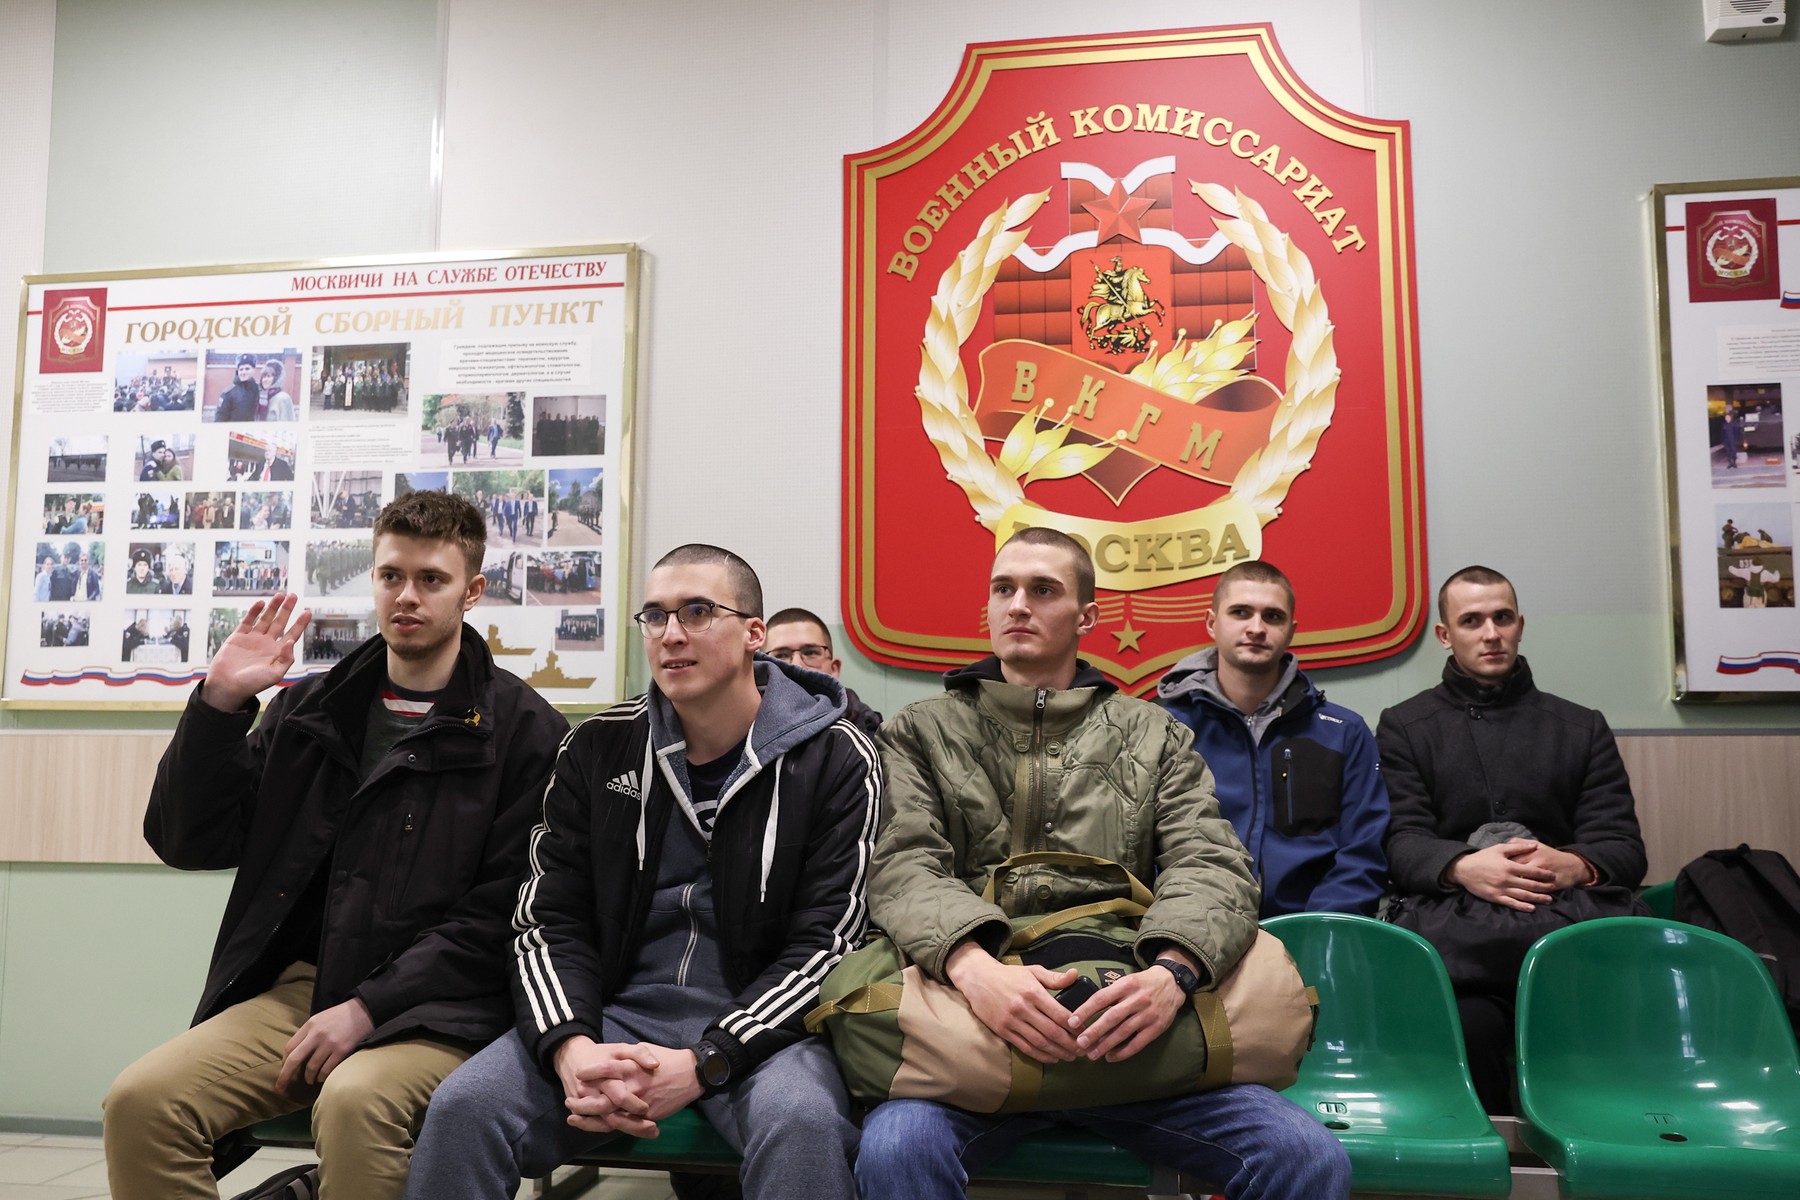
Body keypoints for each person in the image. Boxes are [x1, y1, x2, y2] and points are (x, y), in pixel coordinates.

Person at [856, 527, 1350, 1200]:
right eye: (1004, 589)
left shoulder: (1155, 734)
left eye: (1043, 590)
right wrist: (975, 970)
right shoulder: (918, 731)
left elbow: (1211, 864)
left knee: (1306, 1159)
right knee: (895, 1151)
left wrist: (1173, 974)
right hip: (973, 1028)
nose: (1018, 605)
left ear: (1087, 617)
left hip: (1130, 1026)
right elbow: (903, 862)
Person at [103, 490, 569, 1200]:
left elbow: (501, 914)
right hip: (306, 992)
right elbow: (189, 840)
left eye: (431, 579)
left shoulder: (529, 733)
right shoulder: (309, 710)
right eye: (391, 576)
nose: (406, 596)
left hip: (446, 1009)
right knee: (142, 1102)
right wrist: (220, 705)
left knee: (355, 1103)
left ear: (471, 592)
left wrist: (369, 1006)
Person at [404, 544, 880, 1200]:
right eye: (655, 616)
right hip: (613, 1017)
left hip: (764, 1030)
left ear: (754, 634)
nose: (671, 634)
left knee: (802, 1124)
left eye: (697, 612)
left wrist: (708, 1061)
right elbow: (547, 919)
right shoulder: (598, 746)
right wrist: (570, 1045)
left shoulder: (838, 756)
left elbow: (832, 942)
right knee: (464, 1109)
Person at [1377, 564, 1647, 1115]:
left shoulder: (1581, 727)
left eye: (1502, 618)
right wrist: (1462, 866)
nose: (1491, 633)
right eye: (1472, 621)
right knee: (1467, 1032)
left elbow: (1623, 847)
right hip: (1462, 955)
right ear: (1445, 635)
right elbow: (1400, 842)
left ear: (1520, 625)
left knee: (1602, 1038)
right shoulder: (1405, 725)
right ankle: (1496, 1156)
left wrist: (1573, 864)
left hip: (1571, 951)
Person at [1158, 560, 1388, 916]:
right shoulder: (1163, 728)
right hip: (1192, 927)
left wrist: (1312, 932)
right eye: (1240, 612)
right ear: (1211, 622)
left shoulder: (1345, 732)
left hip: (1313, 928)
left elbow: (1363, 854)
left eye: (1272, 616)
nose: (1256, 628)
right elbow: (1142, 849)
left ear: (1291, 630)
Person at [763, 607, 883, 734]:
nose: (797, 665)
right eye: (781, 655)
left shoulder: (873, 734)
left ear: (834, 669)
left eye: (810, 653)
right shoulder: (749, 729)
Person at [215, 353, 261, 422]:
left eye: (247, 369)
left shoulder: (259, 390)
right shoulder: (228, 393)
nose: (243, 372)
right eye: (241, 369)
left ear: (254, 370)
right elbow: (220, 419)